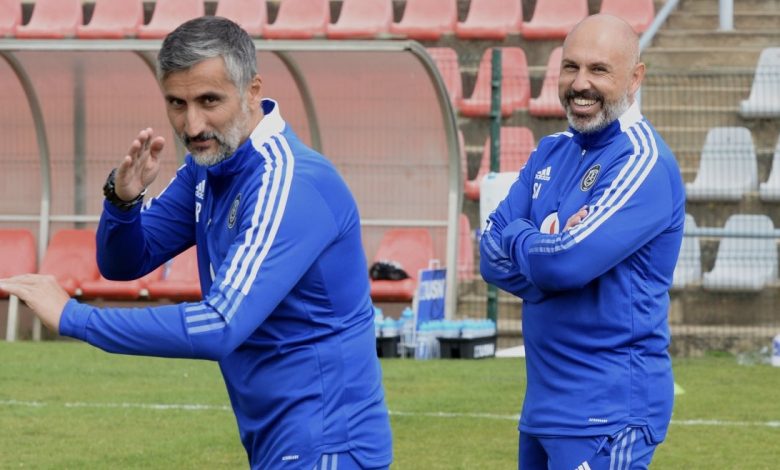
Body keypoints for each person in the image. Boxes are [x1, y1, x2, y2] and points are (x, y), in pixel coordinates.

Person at [0, 16, 392, 470]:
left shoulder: (289, 182)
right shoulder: (208, 168)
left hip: (327, 444)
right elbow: (126, 263)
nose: (193, 124)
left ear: (251, 90)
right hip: (280, 438)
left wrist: (75, 318)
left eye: (209, 101)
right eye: (177, 103)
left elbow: (220, 325)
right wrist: (123, 202)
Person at [479, 14, 685, 469]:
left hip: (609, 410)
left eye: (598, 70)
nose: (580, 83)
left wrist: (528, 241)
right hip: (543, 407)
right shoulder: (551, 150)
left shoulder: (641, 161)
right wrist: (546, 249)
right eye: (570, 67)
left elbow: (564, 264)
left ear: (635, 78)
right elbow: (489, 256)